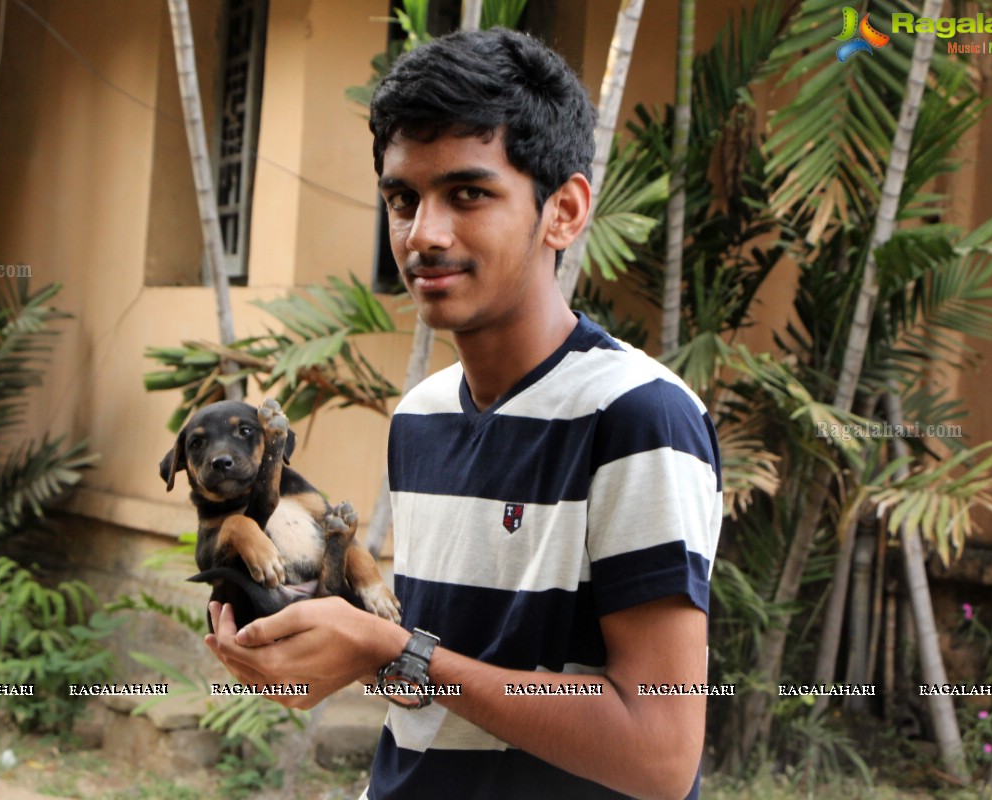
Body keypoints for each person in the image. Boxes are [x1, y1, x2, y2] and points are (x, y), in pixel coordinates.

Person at [206, 28, 722, 800]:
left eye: (469, 194)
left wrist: (391, 651)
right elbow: (446, 683)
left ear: (565, 211)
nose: (424, 235)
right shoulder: (421, 417)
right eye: (403, 199)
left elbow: (658, 748)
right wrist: (309, 640)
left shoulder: (640, 417)